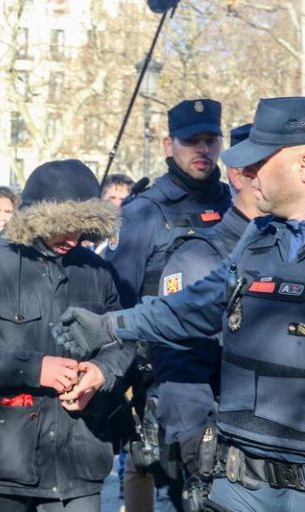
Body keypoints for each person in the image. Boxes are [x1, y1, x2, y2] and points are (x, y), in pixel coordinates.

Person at [55, 96, 305, 512]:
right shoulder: (257, 241)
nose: (247, 174)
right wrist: (110, 326)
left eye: (260, 163)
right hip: (240, 485)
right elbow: (192, 308)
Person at [0, 160, 135, 512]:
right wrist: (33, 368)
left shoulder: (98, 271)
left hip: (80, 457)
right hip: (3, 461)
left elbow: (124, 341)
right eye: (64, 227)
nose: (74, 238)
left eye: (83, 229)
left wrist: (102, 373)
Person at [106, 98, 232, 512]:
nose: (202, 150)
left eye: (210, 140)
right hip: (165, 375)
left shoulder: (234, 202)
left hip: (228, 372)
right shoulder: (143, 212)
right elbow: (121, 296)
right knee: (166, 480)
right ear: (168, 145)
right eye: (190, 141)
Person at [152, 123, 263, 511]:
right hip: (233, 467)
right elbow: (180, 363)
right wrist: (202, 455)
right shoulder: (202, 258)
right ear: (242, 174)